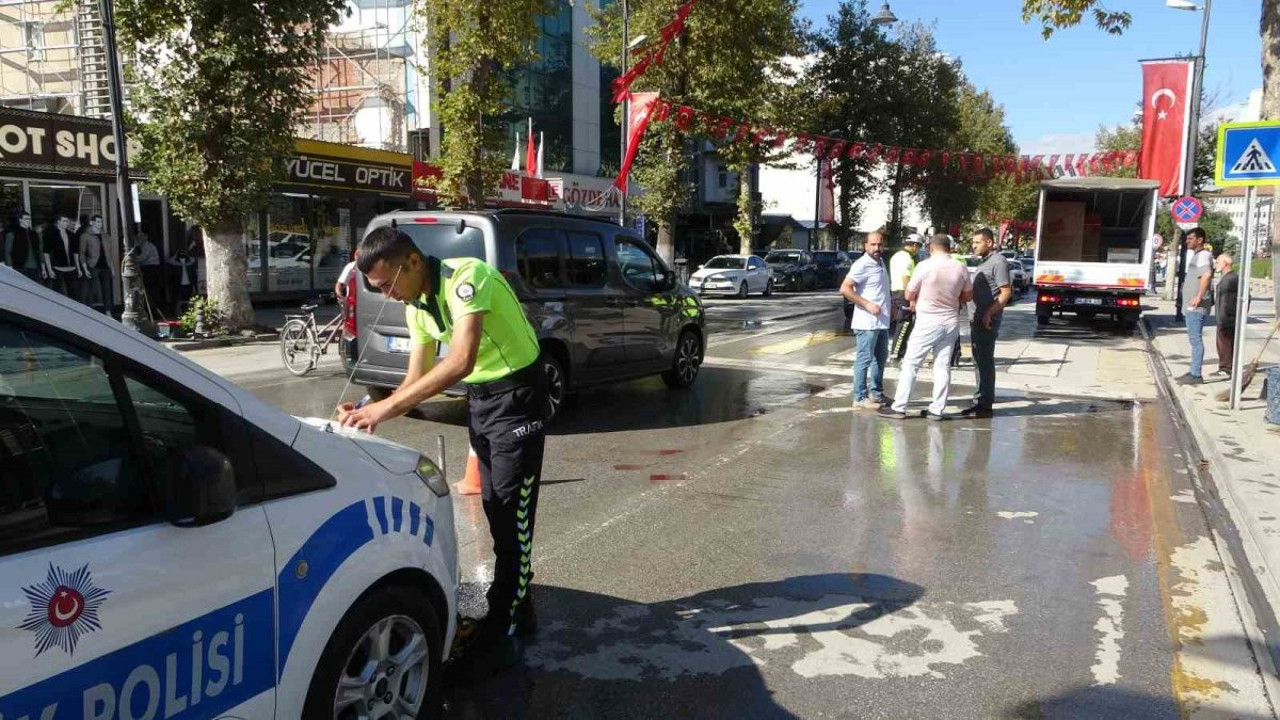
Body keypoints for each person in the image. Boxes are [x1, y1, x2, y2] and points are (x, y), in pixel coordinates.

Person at [337, 227, 546, 679]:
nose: (388, 296)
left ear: (413, 262)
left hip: (519, 396)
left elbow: (461, 359)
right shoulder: (417, 307)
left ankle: (502, 631)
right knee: (495, 509)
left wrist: (387, 407)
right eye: (376, 290)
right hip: (482, 401)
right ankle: (519, 607)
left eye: (388, 284)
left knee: (513, 513)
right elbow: (417, 376)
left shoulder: (467, 277)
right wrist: (370, 408)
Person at [880, 233, 972, 420]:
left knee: (911, 364)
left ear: (931, 247)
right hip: (950, 322)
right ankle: (937, 410)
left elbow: (909, 293)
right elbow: (968, 295)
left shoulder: (924, 266)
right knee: (942, 366)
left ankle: (899, 407)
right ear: (949, 247)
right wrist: (954, 301)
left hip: (927, 321)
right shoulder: (960, 267)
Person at [962, 228, 1012, 418]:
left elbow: (1005, 293)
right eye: (973, 242)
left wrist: (988, 313)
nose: (973, 246)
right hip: (977, 318)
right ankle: (980, 400)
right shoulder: (986, 261)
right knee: (979, 361)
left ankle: (984, 404)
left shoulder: (998, 262)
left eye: (977, 242)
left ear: (989, 242)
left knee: (984, 361)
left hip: (986, 321)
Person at [841, 231, 891, 410]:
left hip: (881, 321)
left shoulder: (880, 262)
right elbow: (845, 288)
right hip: (867, 322)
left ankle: (876, 393)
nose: (877, 248)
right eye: (873, 244)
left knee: (880, 357)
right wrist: (867, 304)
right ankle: (859, 397)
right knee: (864, 359)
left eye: (879, 245)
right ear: (865, 245)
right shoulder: (862, 264)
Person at [1178, 227, 1213, 385]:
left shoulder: (1203, 255)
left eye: (1190, 238)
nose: (1187, 241)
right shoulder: (1199, 255)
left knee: (1195, 340)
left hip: (1196, 306)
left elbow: (1206, 275)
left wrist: (1199, 296)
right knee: (1194, 339)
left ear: (1200, 240)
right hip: (1192, 305)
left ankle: (1196, 374)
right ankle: (1194, 370)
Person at [889, 234, 922, 361]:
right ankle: (896, 353)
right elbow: (906, 279)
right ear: (914, 245)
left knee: (904, 322)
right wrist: (912, 299)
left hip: (897, 292)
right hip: (904, 293)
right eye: (918, 246)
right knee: (904, 323)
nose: (918, 249)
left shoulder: (897, 256)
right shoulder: (907, 258)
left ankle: (899, 351)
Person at [77, 214, 114, 315]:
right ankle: (92, 311)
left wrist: (112, 268)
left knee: (107, 289)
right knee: (94, 289)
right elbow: (82, 253)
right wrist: (85, 268)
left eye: (101, 222)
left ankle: (108, 312)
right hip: (93, 265)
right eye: (98, 222)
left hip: (105, 265)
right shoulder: (85, 236)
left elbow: (110, 253)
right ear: (92, 222)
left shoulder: (106, 236)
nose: (100, 224)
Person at [44, 214, 80, 300]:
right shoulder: (51, 235)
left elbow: (75, 253)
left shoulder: (71, 234)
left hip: (71, 268)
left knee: (73, 293)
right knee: (61, 293)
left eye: (67, 221)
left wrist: (78, 268)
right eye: (64, 221)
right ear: (58, 222)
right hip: (58, 267)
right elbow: (46, 253)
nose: (66, 223)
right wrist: (49, 270)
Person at [1214, 253, 1239, 378]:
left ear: (1225, 263)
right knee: (1223, 344)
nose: (1216, 265)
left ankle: (1226, 368)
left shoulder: (1231, 279)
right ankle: (1225, 367)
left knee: (1225, 344)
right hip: (1224, 317)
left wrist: (1227, 316)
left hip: (1227, 318)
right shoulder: (1228, 278)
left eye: (1218, 262)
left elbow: (1230, 300)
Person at [4, 212, 44, 284]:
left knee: (36, 289)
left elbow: (39, 251)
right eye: (26, 219)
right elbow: (8, 252)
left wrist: (43, 268)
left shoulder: (34, 234)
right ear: (20, 220)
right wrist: (10, 268)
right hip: (20, 267)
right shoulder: (13, 234)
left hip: (35, 267)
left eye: (29, 219)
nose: (28, 221)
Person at [136, 231, 163, 311]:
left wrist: (133, 259)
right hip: (151, 268)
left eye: (140, 237)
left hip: (151, 268)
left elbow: (143, 257)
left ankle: (152, 307)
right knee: (151, 287)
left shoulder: (146, 245)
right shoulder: (145, 245)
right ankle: (152, 306)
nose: (139, 239)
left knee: (150, 287)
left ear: (144, 238)